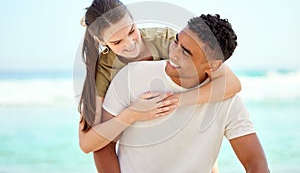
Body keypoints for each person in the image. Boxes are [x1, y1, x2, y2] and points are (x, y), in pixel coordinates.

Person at [78, 0, 241, 172]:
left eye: (132, 31)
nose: (130, 43)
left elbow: (232, 83)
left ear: (134, 20)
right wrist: (132, 114)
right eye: (117, 42)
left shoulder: (166, 40)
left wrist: (176, 101)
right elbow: (87, 143)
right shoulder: (103, 69)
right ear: (102, 41)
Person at [101, 14, 269, 172]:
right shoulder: (133, 76)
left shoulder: (227, 100)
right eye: (176, 42)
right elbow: (103, 147)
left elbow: (254, 161)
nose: (173, 54)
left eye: (186, 52)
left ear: (213, 66)